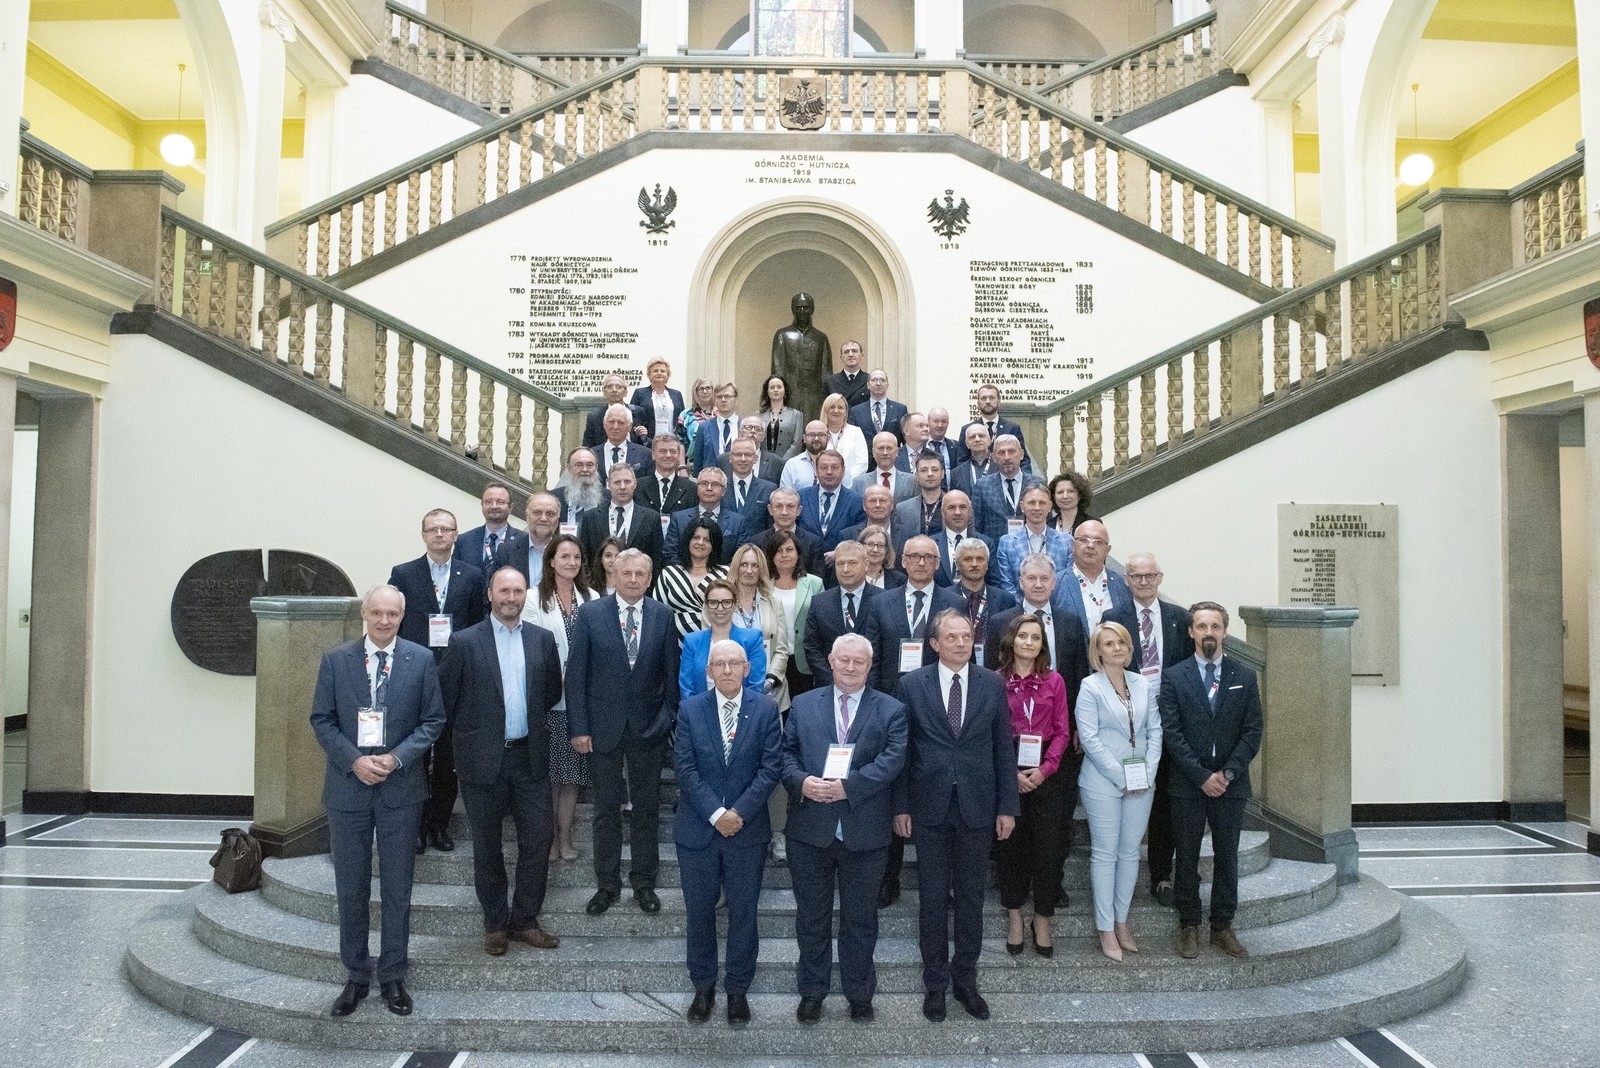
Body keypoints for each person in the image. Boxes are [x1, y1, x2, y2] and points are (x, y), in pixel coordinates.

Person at [309, 585, 446, 1018]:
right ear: (363, 614)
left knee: (397, 887)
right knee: (350, 886)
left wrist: (396, 757)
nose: (385, 621)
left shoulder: (420, 660)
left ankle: (392, 974)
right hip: (347, 790)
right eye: (377, 612)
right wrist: (354, 761)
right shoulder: (336, 660)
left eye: (393, 614)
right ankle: (356, 975)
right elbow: (322, 720)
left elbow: (433, 721)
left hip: (399, 790)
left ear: (402, 616)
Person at [892, 610, 1018, 1023]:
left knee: (970, 898)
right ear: (934, 644)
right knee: (931, 900)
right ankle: (935, 984)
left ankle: (966, 979)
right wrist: (901, 805)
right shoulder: (911, 684)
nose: (962, 643)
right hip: (928, 807)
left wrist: (1007, 806)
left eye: (967, 636)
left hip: (977, 806)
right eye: (952, 637)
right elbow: (903, 751)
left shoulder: (991, 683)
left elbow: (1003, 748)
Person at [438, 566, 564, 956]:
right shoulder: (463, 641)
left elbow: (550, 692)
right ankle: (494, 923)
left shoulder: (542, 640)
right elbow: (447, 699)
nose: (511, 598)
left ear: (526, 595)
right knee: (487, 845)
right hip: (482, 760)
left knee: (539, 839)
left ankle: (524, 920)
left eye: (518, 591)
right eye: (504, 591)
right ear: (490, 594)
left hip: (530, 757)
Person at [782, 633, 908, 1025]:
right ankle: (812, 991)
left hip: (865, 833)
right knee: (811, 918)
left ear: (870, 666)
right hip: (810, 831)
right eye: (844, 660)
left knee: (861, 920)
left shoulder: (891, 709)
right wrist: (802, 782)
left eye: (859, 661)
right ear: (831, 661)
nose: (851, 667)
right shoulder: (802, 705)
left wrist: (848, 787)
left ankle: (859, 993)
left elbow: (892, 760)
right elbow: (785, 755)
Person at [674, 639, 784, 1027]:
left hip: (747, 829)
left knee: (744, 912)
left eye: (733, 664)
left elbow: (771, 768)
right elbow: (684, 768)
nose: (726, 670)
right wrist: (717, 813)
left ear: (746, 669)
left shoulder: (766, 710)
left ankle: (738, 989)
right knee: (699, 912)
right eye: (718, 664)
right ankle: (703, 987)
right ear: (708, 671)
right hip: (698, 830)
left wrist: (737, 812)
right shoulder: (690, 710)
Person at [567, 549, 681, 917]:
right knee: (605, 810)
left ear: (649, 579)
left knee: (646, 809)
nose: (632, 579)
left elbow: (671, 676)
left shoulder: (663, 616)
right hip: (602, 729)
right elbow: (576, 675)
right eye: (626, 573)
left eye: (640, 574)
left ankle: (644, 882)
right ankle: (607, 884)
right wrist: (580, 727)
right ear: (614, 575)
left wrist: (666, 720)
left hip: (649, 728)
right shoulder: (590, 614)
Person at [1160, 602, 1262, 961]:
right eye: (1201, 626)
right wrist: (1202, 776)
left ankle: (1222, 926)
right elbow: (1171, 733)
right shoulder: (1174, 677)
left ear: (1225, 632)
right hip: (1188, 784)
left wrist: (1228, 773)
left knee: (1227, 857)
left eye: (1215, 627)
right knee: (1186, 857)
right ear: (1191, 632)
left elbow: (1253, 731)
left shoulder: (1244, 675)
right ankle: (1188, 924)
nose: (1208, 633)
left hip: (1231, 785)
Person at [388, 508, 488, 854]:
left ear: (456, 535)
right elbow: (394, 625)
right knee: (415, 757)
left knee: (447, 758)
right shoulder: (403, 574)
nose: (440, 534)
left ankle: (439, 825)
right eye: (433, 529)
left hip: (456, 677)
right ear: (424, 535)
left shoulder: (472, 575)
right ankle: (414, 827)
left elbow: (478, 625)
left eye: (446, 529)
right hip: (414, 676)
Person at [1103, 553, 1192, 907]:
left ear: (1160, 578)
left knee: (1166, 802)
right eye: (1136, 576)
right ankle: (1117, 875)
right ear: (1126, 579)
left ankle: (1161, 876)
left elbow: (1187, 671)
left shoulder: (1179, 618)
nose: (1143, 582)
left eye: (1149, 575)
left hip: (1170, 721)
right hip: (1129, 722)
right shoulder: (1113, 618)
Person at [1077, 620, 1162, 962]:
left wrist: (1148, 772)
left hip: (1142, 780)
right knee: (1105, 852)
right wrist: (1120, 777)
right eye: (1109, 644)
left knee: (1130, 852)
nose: (1117, 648)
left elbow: (1155, 731)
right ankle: (1105, 928)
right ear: (1097, 651)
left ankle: (1122, 921)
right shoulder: (1089, 687)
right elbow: (1089, 738)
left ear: (1130, 648)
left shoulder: (1143, 683)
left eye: (1122, 643)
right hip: (1102, 780)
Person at [992, 613, 1071, 958]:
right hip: (1007, 768)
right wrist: (1010, 772)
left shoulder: (1055, 680)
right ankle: (1014, 916)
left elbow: (1063, 730)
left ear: (1042, 645)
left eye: (1035, 637)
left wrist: (1046, 768)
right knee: (1011, 849)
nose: (1028, 642)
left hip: (1046, 772)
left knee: (1048, 850)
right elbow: (991, 732)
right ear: (1011, 640)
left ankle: (1042, 918)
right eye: (1023, 636)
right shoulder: (994, 681)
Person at [522, 534, 602, 863]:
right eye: (565, 556)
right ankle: (550, 839)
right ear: (551, 560)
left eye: (577, 557)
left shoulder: (592, 597)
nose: (571, 562)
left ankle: (565, 837)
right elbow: (530, 647)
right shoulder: (533, 598)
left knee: (572, 777)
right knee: (551, 777)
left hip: (581, 702)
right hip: (549, 700)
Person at [803, 540, 880, 691]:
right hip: (829, 687)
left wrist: (864, 682)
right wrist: (835, 681)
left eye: (852, 563)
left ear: (866, 565)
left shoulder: (883, 601)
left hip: (872, 689)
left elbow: (885, 649)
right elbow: (811, 647)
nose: (845, 569)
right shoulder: (819, 602)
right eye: (840, 564)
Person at [680, 578, 768, 703]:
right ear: (706, 606)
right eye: (713, 602)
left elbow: (756, 686)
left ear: (735, 604)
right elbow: (687, 688)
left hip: (744, 711)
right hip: (701, 711)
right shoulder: (692, 641)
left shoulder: (753, 638)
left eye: (726, 602)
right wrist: (697, 712)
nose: (720, 608)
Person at [730, 543, 791, 708]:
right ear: (736, 567)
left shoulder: (773, 602)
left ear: (761, 569)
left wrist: (770, 680)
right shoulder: (721, 601)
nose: (749, 570)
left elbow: (781, 649)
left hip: (770, 691)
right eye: (744, 564)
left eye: (755, 565)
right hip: (729, 687)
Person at [766, 530, 824, 700]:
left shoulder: (814, 583)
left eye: (789, 550)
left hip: (803, 660)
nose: (784, 555)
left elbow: (822, 624)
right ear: (771, 555)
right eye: (779, 550)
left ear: (798, 554)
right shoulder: (762, 584)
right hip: (771, 659)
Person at [576, 462, 664, 573]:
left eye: (627, 482)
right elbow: (584, 556)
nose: (622, 487)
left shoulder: (651, 518)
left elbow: (656, 559)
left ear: (635, 484)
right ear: (608, 484)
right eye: (617, 482)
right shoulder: (590, 517)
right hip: (599, 581)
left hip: (636, 581)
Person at [653, 517, 728, 641]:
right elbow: (657, 614)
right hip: (674, 642)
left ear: (714, 545)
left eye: (707, 539)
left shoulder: (725, 574)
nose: (700, 542)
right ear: (688, 540)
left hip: (715, 641)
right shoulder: (669, 574)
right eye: (696, 537)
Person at [995, 483, 1074, 599]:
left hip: (1057, 607)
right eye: (1031, 503)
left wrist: (1052, 608)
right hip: (1019, 608)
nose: (1037, 508)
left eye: (1042, 503)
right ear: (1022, 506)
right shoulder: (1007, 543)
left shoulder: (1066, 542)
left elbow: (1067, 584)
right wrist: (1023, 609)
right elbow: (1007, 584)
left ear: (1049, 506)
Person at [1060, 520, 1133, 635]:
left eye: (1098, 542)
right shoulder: (1056, 584)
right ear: (1073, 545)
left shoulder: (1124, 585)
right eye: (1084, 540)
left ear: (1107, 550)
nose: (1090, 546)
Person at [950, 539, 1015, 665]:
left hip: (996, 668)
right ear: (957, 564)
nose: (974, 564)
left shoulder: (1006, 599)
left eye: (980, 559)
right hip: (956, 665)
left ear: (987, 564)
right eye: (968, 559)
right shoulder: (945, 597)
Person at [664, 466, 746, 565]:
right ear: (697, 488)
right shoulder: (679, 519)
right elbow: (670, 553)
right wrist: (691, 573)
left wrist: (720, 573)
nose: (709, 488)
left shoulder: (738, 522)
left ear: (723, 491)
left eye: (715, 484)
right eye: (704, 483)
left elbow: (740, 558)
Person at [970, 434, 1043, 544]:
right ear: (994, 457)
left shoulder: (1038, 484)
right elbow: (976, 526)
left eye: (1011, 451)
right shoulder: (982, 486)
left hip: (1031, 548)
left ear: (1021, 454)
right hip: (995, 550)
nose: (1007, 457)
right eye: (1001, 452)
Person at [771, 291, 831, 420]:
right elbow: (777, 370)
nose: (802, 311)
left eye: (806, 307)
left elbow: (826, 372)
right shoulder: (782, 335)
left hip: (815, 398)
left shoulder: (820, 338)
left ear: (812, 309)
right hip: (790, 397)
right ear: (793, 310)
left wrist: (826, 399)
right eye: (798, 307)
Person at [797, 450, 864, 552]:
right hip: (806, 558)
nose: (829, 472)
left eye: (834, 467)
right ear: (816, 470)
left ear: (843, 471)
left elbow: (858, 535)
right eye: (824, 467)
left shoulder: (856, 501)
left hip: (842, 559)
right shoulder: (801, 497)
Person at [492, 491, 561, 589]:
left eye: (550, 514)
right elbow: (494, 589)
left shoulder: (567, 553)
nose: (543, 518)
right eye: (537, 512)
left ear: (557, 519)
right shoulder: (506, 551)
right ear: (527, 517)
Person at [455, 481, 527, 570]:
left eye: (500, 502)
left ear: (510, 508)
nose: (494, 506)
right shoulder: (463, 541)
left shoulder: (524, 541)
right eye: (489, 502)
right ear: (482, 505)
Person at [932, 490, 993, 588]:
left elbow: (993, 583)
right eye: (952, 507)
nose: (957, 512)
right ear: (943, 512)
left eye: (962, 507)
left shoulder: (986, 543)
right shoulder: (932, 544)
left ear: (970, 511)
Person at [764, 487, 823, 575]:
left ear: (798, 510)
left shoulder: (813, 543)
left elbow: (818, 578)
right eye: (778, 506)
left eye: (790, 506)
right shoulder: (757, 542)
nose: (784, 512)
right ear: (770, 510)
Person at [960, 383, 1027, 459]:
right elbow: (962, 460)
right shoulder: (967, 429)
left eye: (991, 398)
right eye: (983, 398)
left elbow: (1024, 459)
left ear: (999, 402)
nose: (988, 401)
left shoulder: (1012, 428)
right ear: (978, 404)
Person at [583, 372, 648, 450]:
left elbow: (646, 443)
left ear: (625, 392)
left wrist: (644, 438)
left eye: (618, 387)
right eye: (610, 387)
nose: (614, 390)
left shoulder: (638, 412)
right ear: (604, 392)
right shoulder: (594, 416)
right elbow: (587, 446)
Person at [892, 452, 946, 544]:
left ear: (942, 474)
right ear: (916, 476)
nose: (930, 474)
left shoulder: (955, 505)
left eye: (935, 470)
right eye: (924, 470)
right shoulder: (902, 509)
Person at [638, 434, 697, 517]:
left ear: (678, 455)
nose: (668, 455)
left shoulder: (691, 489)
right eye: (663, 451)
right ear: (653, 455)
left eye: (673, 451)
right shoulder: (638, 487)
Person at [721, 437, 777, 526]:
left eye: (748, 455)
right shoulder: (720, 486)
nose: (743, 459)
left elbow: (771, 525)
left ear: (756, 458)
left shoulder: (769, 489)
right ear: (730, 458)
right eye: (738, 454)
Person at [691, 383, 742, 475]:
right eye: (719, 397)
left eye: (727, 396)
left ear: (736, 400)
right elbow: (698, 461)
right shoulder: (704, 427)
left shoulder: (744, 426)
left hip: (739, 477)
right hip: (711, 479)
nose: (723, 400)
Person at [630, 357, 685, 442]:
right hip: (647, 442)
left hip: (672, 442)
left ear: (668, 375)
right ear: (649, 374)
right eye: (655, 371)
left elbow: (682, 419)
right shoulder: (640, 393)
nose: (659, 373)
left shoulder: (676, 394)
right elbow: (632, 417)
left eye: (662, 371)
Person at [818, 394, 869, 481]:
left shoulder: (855, 432)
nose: (836, 410)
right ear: (826, 410)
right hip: (822, 482)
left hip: (850, 483)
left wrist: (843, 479)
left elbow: (862, 463)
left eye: (840, 407)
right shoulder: (818, 433)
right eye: (832, 407)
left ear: (845, 412)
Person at [852, 431, 915, 501]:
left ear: (897, 451)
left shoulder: (911, 481)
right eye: (881, 448)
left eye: (889, 448)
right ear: (873, 452)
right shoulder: (858, 483)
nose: (885, 453)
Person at [848, 369, 907, 443]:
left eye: (882, 380)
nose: (878, 383)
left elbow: (906, 439)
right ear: (868, 385)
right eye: (874, 380)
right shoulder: (856, 411)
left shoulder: (900, 409)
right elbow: (851, 440)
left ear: (887, 385)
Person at [596, 403, 651, 479]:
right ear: (604, 424)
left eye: (620, 423)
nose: (615, 427)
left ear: (629, 427)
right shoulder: (593, 455)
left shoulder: (644, 454)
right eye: (611, 422)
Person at [552, 447, 604, 526]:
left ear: (596, 468)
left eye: (590, 465)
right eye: (579, 465)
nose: (585, 469)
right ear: (569, 468)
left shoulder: (609, 498)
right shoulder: (554, 497)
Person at [729, 415, 788, 485]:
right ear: (740, 432)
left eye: (758, 429)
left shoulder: (776, 462)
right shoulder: (723, 460)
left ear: (763, 436)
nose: (753, 431)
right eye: (748, 427)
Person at [760, 374, 806, 460]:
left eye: (779, 387)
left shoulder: (796, 415)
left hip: (787, 462)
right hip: (763, 462)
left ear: (785, 390)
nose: (775, 390)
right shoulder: (759, 416)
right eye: (772, 387)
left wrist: (783, 462)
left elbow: (797, 443)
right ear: (767, 391)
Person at [947, 423, 994, 497]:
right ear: (967, 444)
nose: (977, 439)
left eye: (981, 436)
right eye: (972, 437)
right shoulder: (956, 474)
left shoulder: (1001, 466)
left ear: (989, 440)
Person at [676, 376, 718, 457]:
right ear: (695, 392)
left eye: (708, 388)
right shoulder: (686, 415)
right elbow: (679, 442)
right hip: (693, 460)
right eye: (701, 389)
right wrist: (682, 463)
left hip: (716, 460)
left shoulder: (720, 414)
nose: (705, 391)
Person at [822, 338, 871, 408]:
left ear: (861, 356)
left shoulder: (870, 380)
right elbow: (826, 408)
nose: (850, 354)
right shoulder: (830, 382)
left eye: (854, 351)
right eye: (846, 352)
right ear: (841, 358)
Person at [858, 525, 905, 590]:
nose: (875, 550)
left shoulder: (899, 580)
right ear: (860, 546)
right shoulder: (851, 576)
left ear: (886, 549)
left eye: (880, 545)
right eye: (870, 544)